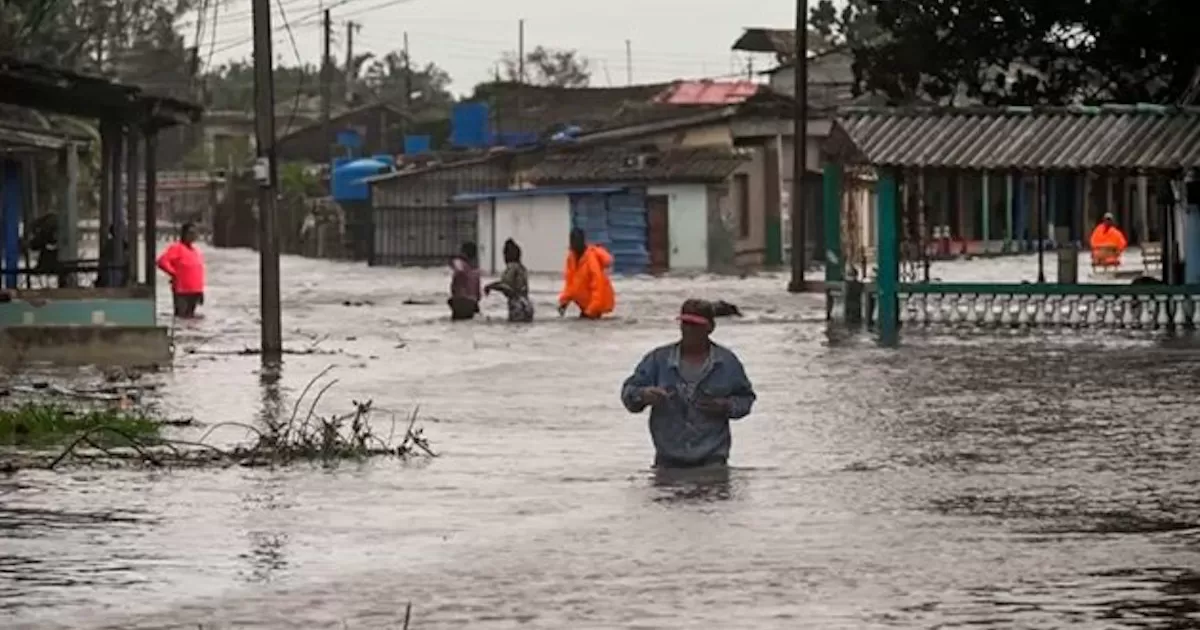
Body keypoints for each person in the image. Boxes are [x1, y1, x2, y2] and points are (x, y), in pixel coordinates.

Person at [620, 299, 756, 469]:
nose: (689, 329)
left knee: (713, 495)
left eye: (695, 325)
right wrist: (644, 395)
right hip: (667, 459)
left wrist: (726, 406)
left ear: (710, 328)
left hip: (712, 459)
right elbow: (629, 392)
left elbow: (746, 399)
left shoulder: (727, 362)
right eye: (685, 323)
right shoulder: (658, 360)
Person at [558, 228, 615, 319]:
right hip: (585, 304)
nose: (574, 244)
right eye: (572, 241)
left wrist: (591, 310)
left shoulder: (591, 259)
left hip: (596, 306)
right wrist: (564, 302)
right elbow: (570, 283)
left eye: (576, 241)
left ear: (582, 241)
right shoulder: (571, 258)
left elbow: (598, 286)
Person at [156, 222, 206, 318]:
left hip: (195, 291)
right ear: (184, 234)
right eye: (191, 233)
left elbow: (198, 272)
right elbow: (162, 262)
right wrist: (174, 274)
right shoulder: (177, 248)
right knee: (181, 317)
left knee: (192, 318)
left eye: (195, 233)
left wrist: (201, 291)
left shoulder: (196, 251)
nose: (194, 235)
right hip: (181, 291)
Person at [484, 238, 534, 322]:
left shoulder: (511, 268)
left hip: (517, 305)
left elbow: (506, 286)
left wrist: (490, 287)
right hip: (527, 305)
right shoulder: (522, 268)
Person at [448, 241, 482, 321]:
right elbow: (478, 295)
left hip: (460, 302)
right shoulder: (476, 273)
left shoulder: (459, 263)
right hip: (472, 303)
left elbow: (459, 269)